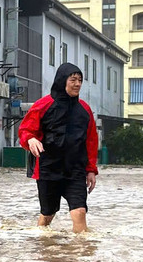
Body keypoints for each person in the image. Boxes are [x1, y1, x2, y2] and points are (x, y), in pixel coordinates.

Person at [19, 62, 98, 233]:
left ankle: (81, 254)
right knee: (48, 214)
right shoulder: (43, 105)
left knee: (80, 212)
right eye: (73, 80)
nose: (77, 84)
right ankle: (42, 244)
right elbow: (25, 130)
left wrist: (91, 170)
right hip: (48, 169)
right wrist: (31, 139)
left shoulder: (84, 109)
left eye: (80, 80)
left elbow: (91, 141)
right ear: (63, 80)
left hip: (75, 171)